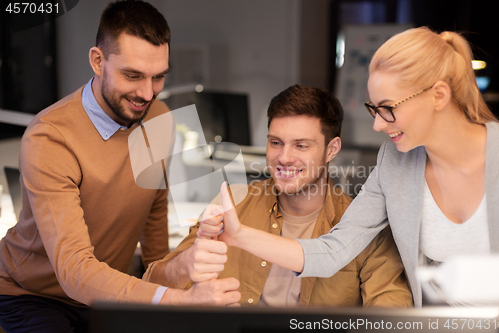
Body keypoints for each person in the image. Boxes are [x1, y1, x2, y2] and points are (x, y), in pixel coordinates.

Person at [198, 27, 499, 307]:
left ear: (438, 96)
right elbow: (334, 250)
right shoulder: (395, 162)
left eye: (388, 108)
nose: (378, 124)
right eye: (374, 109)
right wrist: (239, 236)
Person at [0, 1, 239, 332]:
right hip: (33, 294)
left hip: (106, 289)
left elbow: (154, 215)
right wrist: (178, 301)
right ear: (98, 61)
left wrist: (167, 296)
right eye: (132, 75)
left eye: (158, 77)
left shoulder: (159, 118)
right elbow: (74, 271)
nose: (146, 93)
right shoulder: (51, 137)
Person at [144, 85, 412, 307]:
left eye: (301, 145)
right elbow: (152, 284)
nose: (284, 157)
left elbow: (391, 314)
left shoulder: (363, 225)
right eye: (276, 143)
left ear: (332, 149)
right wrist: (187, 264)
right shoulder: (235, 202)